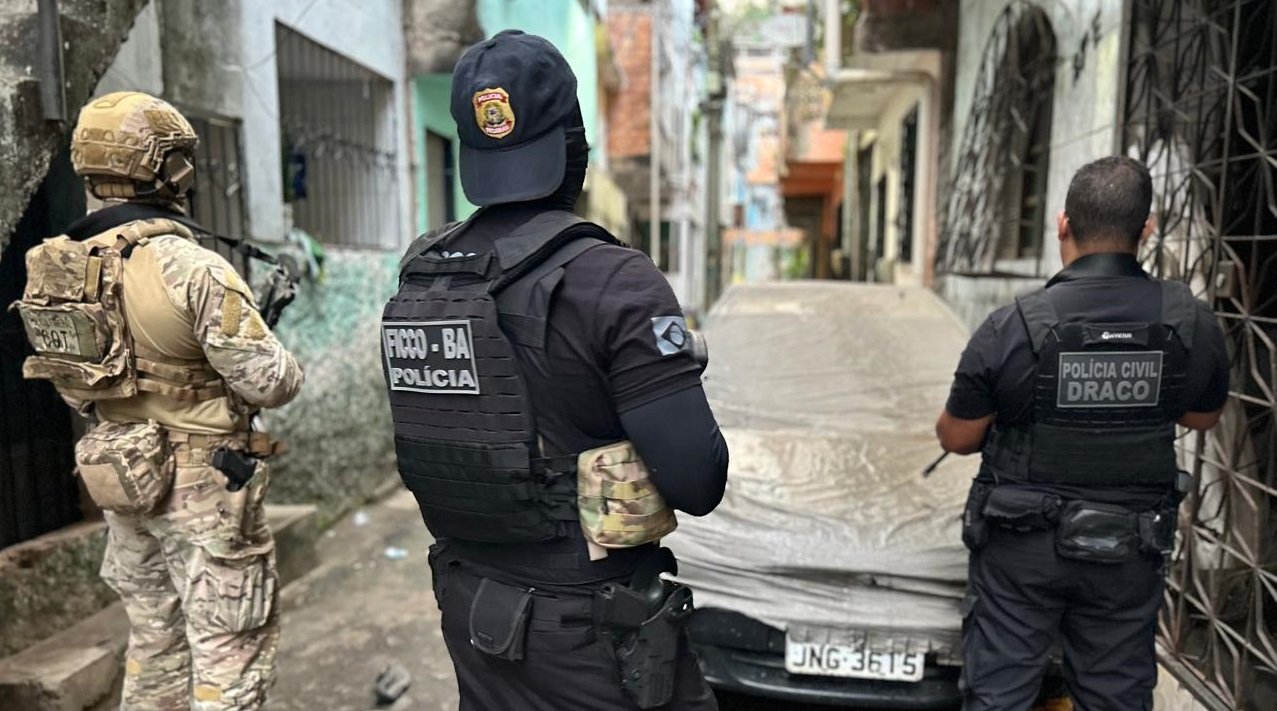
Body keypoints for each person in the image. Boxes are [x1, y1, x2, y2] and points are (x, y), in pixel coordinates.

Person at [381, 31, 729, 710]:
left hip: (471, 607)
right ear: (576, 145)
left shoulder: (426, 274)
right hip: (591, 631)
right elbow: (699, 480)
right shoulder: (614, 281)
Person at [15, 91, 303, 710]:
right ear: (167, 166)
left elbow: (72, 385)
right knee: (230, 648)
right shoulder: (193, 268)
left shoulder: (55, 269)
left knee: (154, 643)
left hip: (120, 474)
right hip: (202, 486)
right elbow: (270, 382)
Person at [934, 156, 1230, 711]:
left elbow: (956, 436)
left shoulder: (1014, 326)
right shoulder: (1191, 322)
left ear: (1062, 224)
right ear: (1146, 230)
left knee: (1000, 693)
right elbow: (1202, 417)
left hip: (1022, 549)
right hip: (1129, 548)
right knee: (1115, 692)